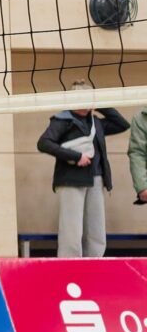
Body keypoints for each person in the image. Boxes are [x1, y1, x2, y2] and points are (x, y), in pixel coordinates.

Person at [39, 90, 129, 260]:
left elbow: (122, 124)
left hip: (96, 178)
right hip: (71, 180)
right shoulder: (62, 121)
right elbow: (44, 143)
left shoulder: (96, 122)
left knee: (96, 226)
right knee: (71, 227)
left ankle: (94, 261)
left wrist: (100, 103)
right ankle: (70, 263)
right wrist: (75, 156)